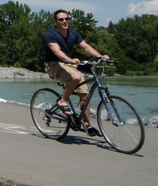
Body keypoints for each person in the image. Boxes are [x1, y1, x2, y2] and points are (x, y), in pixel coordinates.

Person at [44, 9, 109, 137]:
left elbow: (85, 47)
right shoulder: (50, 34)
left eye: (66, 19)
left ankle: (87, 125)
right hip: (53, 64)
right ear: (55, 21)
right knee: (76, 76)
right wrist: (70, 60)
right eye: (61, 19)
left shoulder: (73, 33)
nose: (64, 21)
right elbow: (56, 51)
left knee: (85, 94)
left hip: (68, 64)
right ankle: (63, 101)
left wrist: (100, 56)